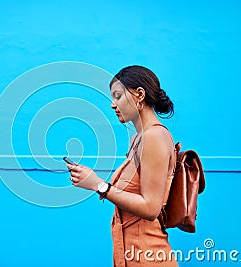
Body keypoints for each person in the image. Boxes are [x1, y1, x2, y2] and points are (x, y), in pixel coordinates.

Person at [67, 65, 179, 266]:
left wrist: (98, 185)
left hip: (148, 256)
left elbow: (151, 207)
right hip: (129, 256)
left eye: (118, 96)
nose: (112, 105)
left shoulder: (154, 137)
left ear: (139, 95)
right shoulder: (137, 139)